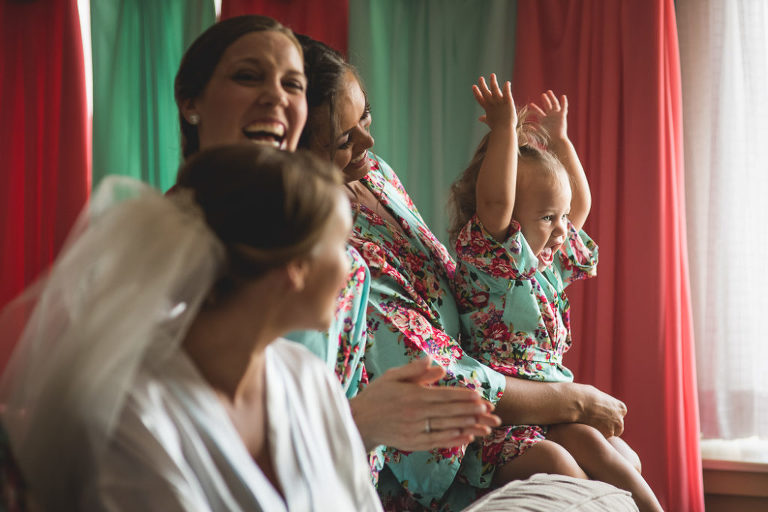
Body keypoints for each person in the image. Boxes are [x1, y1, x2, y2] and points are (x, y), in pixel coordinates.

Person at [297, 37, 630, 511]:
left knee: (617, 462)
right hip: (445, 441)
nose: (367, 143)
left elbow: (574, 209)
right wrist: (573, 400)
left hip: (506, 402)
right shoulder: (329, 245)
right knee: (565, 472)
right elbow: (438, 377)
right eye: (343, 140)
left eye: (365, 119)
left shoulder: (374, 175)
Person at [171, 15, 500, 467]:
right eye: (247, 76)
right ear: (191, 101)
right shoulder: (175, 238)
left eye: (291, 84)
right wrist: (358, 421)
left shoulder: (321, 213)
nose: (276, 97)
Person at [0, 144, 383, 511]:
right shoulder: (129, 412)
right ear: (295, 266)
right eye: (341, 245)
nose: (352, 268)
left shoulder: (310, 380)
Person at [447, 75, 663, 512]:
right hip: (506, 420)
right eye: (548, 217)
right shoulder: (494, 262)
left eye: (560, 217)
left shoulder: (547, 263)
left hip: (552, 411)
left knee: (625, 457)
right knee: (566, 460)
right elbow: (496, 203)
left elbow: (579, 206)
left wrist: (562, 142)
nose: (563, 229)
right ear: (510, 220)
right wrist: (504, 129)